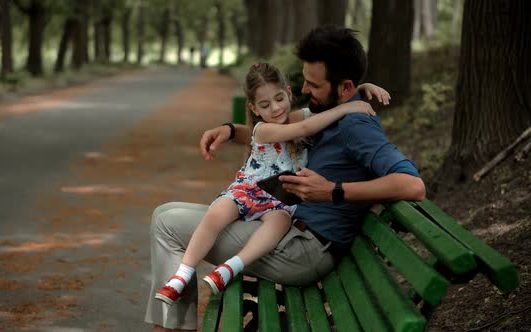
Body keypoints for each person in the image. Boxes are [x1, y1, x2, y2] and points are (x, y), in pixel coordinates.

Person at [145, 24, 425, 332]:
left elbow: (413, 185)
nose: (305, 91)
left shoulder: (355, 125)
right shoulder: (331, 109)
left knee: (166, 224)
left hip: (303, 250)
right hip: (289, 232)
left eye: (313, 85)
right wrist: (227, 130)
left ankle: (170, 329)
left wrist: (334, 191)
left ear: (344, 88)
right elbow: (273, 130)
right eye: (304, 82)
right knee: (167, 214)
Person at [154, 62, 376, 305]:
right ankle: (182, 275)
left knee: (279, 224)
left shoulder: (292, 116)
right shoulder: (263, 129)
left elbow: (330, 106)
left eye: (279, 98)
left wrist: (360, 90)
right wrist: (350, 107)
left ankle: (230, 268)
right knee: (215, 217)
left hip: (277, 201)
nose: (276, 108)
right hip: (248, 191)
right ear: (254, 108)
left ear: (289, 93)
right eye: (265, 105)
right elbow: (305, 127)